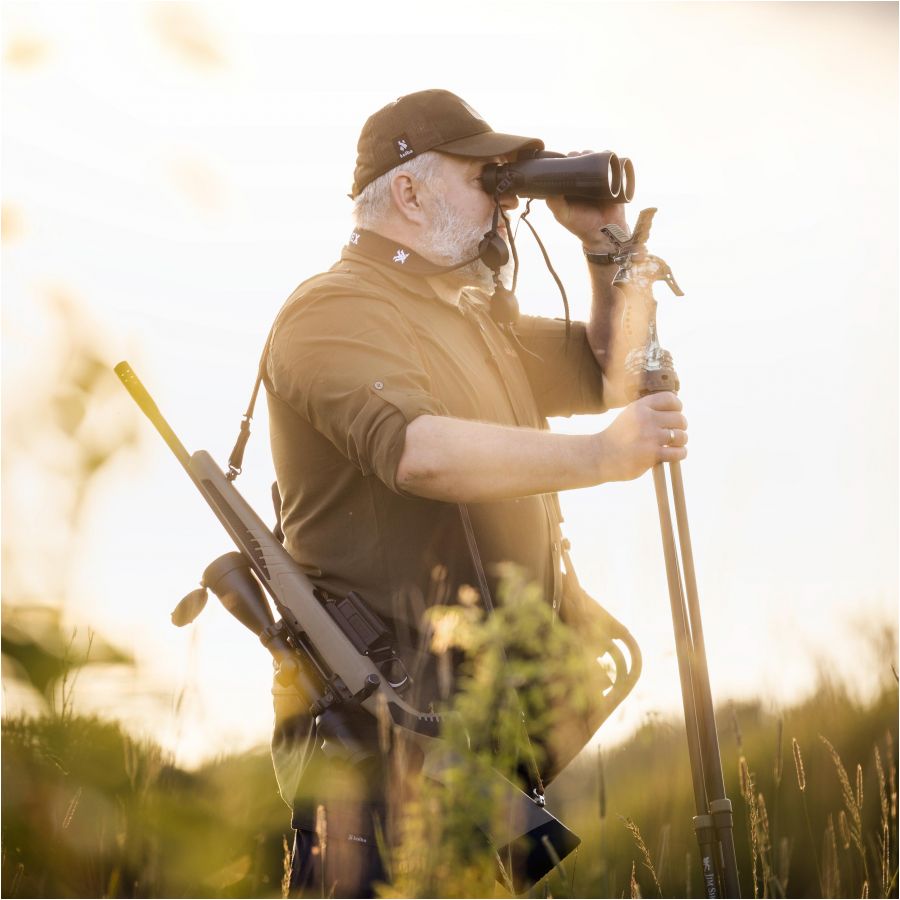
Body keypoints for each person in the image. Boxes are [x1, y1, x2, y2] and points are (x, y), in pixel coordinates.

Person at [263, 88, 687, 897]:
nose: (503, 201)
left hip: (473, 746)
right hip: (373, 753)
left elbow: (616, 375)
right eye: (482, 177)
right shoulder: (331, 311)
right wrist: (599, 457)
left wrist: (604, 245)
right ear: (411, 192)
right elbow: (418, 452)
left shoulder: (468, 317)